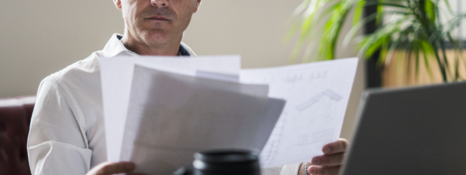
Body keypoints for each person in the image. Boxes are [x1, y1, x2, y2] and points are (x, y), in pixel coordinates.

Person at [26, 0, 348, 175]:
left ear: (197, 2)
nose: (159, 1)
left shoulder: (225, 88)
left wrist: (311, 169)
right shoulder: (65, 90)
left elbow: (268, 166)